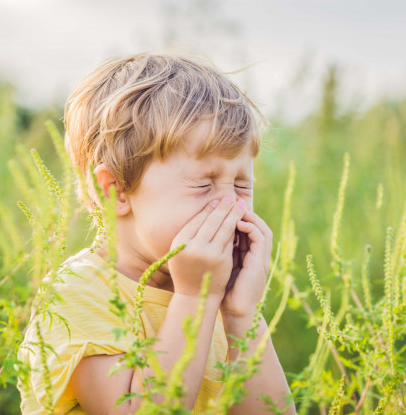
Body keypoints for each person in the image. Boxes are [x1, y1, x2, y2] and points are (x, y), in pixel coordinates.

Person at [17, 52, 295, 414]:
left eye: (242, 186)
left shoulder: (216, 295)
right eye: (203, 184)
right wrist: (195, 299)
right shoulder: (78, 295)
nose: (231, 207)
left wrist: (244, 315)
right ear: (114, 191)